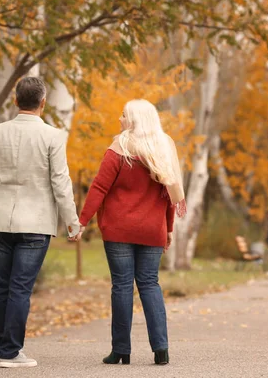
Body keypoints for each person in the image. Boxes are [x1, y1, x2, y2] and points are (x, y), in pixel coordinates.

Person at [0, 77, 81, 368]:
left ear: (16, 100)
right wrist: (72, 222)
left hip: (1, 222)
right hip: (35, 225)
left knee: (1, 286)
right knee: (20, 288)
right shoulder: (53, 136)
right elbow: (60, 182)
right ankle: (10, 352)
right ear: (43, 103)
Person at [74, 99, 185, 366]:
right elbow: (169, 195)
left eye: (123, 115)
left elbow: (99, 188)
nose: (119, 119)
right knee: (150, 284)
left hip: (119, 229)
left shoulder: (118, 149)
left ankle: (121, 351)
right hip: (152, 230)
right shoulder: (162, 150)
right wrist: (168, 228)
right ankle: (161, 349)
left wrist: (82, 221)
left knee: (122, 286)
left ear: (134, 120)